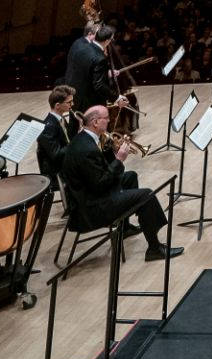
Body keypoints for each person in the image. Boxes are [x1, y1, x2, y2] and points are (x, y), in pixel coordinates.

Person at [60, 105, 182, 261]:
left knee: (130, 176)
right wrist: (119, 159)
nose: (110, 120)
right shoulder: (86, 149)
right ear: (96, 122)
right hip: (92, 208)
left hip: (89, 194)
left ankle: (124, 228)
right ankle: (154, 248)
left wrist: (113, 153)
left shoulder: (85, 138)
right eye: (107, 118)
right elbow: (100, 184)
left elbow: (99, 170)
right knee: (146, 195)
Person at [62, 17, 127, 113]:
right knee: (90, 127)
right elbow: (99, 85)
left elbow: (85, 70)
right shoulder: (100, 58)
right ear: (107, 41)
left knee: (74, 126)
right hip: (89, 102)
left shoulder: (82, 48)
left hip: (75, 97)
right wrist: (117, 97)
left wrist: (105, 72)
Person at [36, 85, 80, 180]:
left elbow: (66, 141)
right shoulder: (47, 127)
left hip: (65, 162)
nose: (72, 104)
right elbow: (56, 155)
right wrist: (77, 141)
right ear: (57, 106)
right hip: (56, 172)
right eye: (69, 102)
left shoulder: (61, 119)